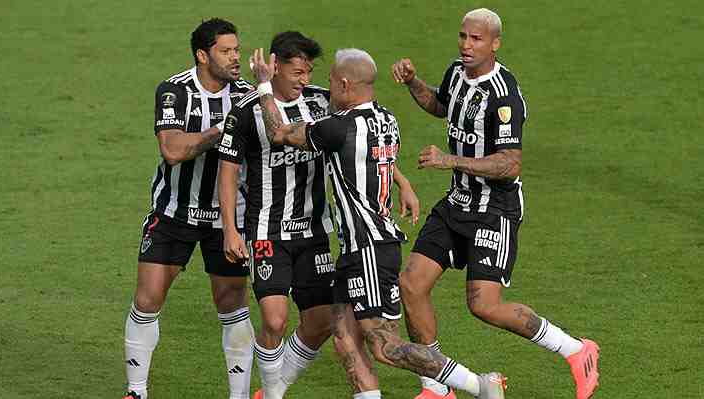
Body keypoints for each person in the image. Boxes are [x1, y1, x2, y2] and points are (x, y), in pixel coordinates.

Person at [249, 47, 507, 399]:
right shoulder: (386, 119)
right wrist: (403, 183)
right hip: (356, 249)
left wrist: (264, 85)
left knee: (384, 345)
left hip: (369, 249)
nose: (327, 89)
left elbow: (277, 131)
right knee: (344, 340)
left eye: (330, 83)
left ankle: (479, 385)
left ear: (344, 83)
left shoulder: (337, 128)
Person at [391, 8, 600, 399]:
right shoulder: (457, 73)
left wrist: (449, 160)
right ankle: (437, 385)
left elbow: (510, 163)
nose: (467, 45)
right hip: (458, 202)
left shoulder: (504, 97)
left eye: (477, 39)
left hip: (494, 209)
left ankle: (576, 350)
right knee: (411, 284)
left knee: (483, 305)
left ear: (495, 43)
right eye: (463, 37)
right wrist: (412, 82)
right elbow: (441, 104)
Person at [123, 18, 254, 399]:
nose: (235, 58)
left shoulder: (246, 96)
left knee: (232, 303)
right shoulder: (174, 91)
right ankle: (136, 391)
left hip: (229, 217)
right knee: (147, 299)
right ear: (202, 54)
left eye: (237, 50)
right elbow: (173, 149)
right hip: (175, 211)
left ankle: (239, 395)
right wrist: (220, 131)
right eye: (226, 51)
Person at [217, 31, 336, 399]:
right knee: (274, 319)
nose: (304, 80)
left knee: (320, 322)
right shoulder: (247, 111)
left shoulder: (321, 103)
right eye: (297, 72)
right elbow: (227, 169)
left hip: (314, 229)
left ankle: (272, 388)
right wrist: (230, 231)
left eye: (309, 72)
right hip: (267, 230)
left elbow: (355, 135)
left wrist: (397, 178)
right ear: (275, 66)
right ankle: (273, 394)